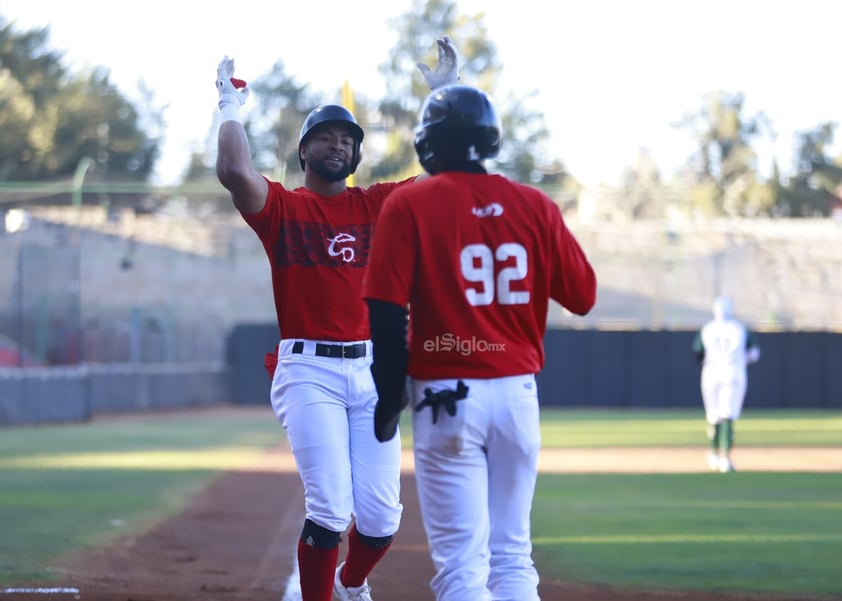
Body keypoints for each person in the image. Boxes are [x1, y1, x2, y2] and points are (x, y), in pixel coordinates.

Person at [215, 37, 461, 601]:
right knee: (329, 507)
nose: (337, 144)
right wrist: (228, 106)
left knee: (381, 520)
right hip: (309, 373)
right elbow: (233, 168)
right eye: (325, 136)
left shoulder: (378, 205)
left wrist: (446, 100)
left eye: (346, 139)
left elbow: (448, 178)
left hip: (374, 374)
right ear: (305, 152)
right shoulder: (282, 208)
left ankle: (352, 585)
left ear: (356, 155)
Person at [362, 84, 597, 601]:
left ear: (429, 144)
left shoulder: (409, 204)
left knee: (462, 567)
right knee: (513, 554)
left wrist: (389, 396)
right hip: (517, 396)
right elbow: (583, 296)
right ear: (489, 140)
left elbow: (384, 311)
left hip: (447, 394)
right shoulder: (535, 205)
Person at [692, 295, 761, 473]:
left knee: (713, 415)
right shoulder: (739, 329)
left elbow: (697, 353)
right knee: (728, 415)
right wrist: (739, 360)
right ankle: (725, 459)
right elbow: (754, 354)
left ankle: (714, 454)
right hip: (733, 373)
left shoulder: (707, 329)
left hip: (711, 373)